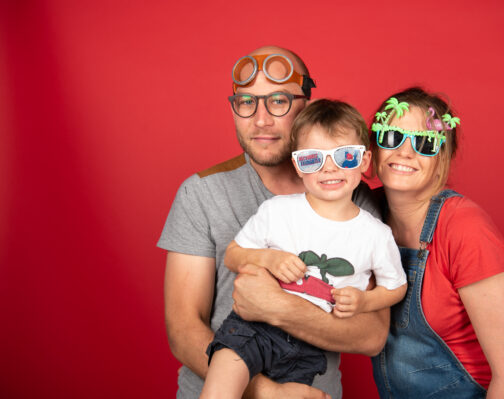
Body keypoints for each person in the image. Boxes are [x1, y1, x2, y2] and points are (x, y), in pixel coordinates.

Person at [158, 45, 390, 399]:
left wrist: (279, 306)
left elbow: (372, 336)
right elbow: (184, 329)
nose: (261, 119)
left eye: (278, 101)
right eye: (247, 102)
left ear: (306, 108)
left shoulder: (352, 198)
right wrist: (267, 393)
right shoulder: (201, 193)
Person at [200, 99, 407, 399]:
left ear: (364, 161)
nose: (329, 168)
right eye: (313, 159)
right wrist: (267, 258)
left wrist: (364, 301)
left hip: (312, 340)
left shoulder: (376, 234)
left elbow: (395, 288)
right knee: (221, 384)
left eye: (345, 156)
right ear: (298, 165)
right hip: (252, 327)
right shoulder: (278, 211)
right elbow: (233, 254)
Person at [368, 87, 504, 398]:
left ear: (442, 158)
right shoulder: (366, 217)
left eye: (425, 143)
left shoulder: (465, 228)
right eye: (391, 137)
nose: (405, 152)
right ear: (372, 149)